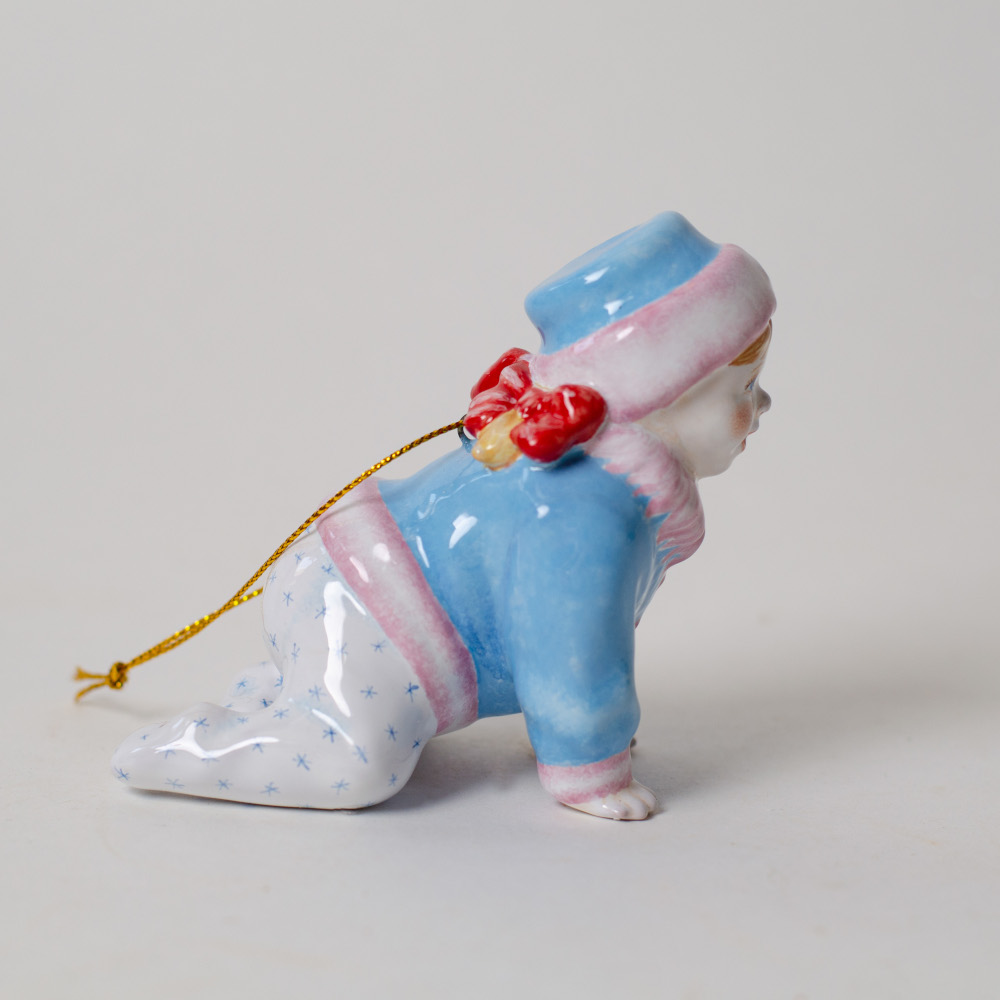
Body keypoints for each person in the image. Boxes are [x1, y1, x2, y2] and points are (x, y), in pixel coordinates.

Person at [112, 212, 775, 820]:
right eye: (743, 388)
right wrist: (590, 764)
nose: (762, 405)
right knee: (356, 768)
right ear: (662, 392)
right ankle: (190, 747)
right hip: (367, 613)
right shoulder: (587, 509)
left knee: (347, 718)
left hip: (343, 583)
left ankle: (288, 695)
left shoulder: (608, 481)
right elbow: (573, 651)